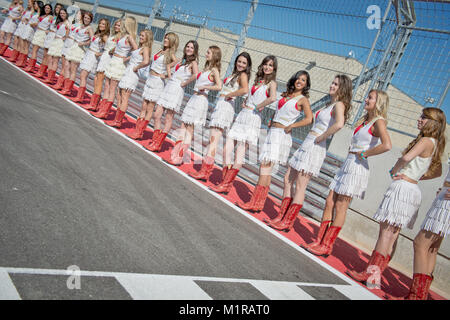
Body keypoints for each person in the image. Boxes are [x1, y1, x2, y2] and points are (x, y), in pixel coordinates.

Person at [347, 108, 446, 295]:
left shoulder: (425, 140)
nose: (419, 119)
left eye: (424, 117)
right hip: (413, 189)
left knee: (385, 234)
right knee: (393, 235)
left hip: (402, 188)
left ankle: (371, 276)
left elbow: (406, 157)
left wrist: (394, 171)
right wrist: (415, 177)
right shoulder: (435, 143)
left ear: (433, 122)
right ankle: (375, 278)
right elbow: (437, 171)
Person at [304, 89, 392, 258]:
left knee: (340, 206)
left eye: (370, 98)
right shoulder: (365, 120)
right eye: (367, 97)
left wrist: (365, 154)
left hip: (357, 166)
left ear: (378, 102)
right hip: (348, 163)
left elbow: (387, 144)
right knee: (329, 201)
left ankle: (326, 245)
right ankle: (320, 240)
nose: (366, 99)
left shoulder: (379, 121)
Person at [267, 75, 352, 232]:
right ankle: (282, 215)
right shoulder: (329, 104)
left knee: (300, 185)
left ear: (342, 88)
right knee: (288, 178)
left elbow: (339, 124)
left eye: (336, 84)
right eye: (332, 82)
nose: (332, 86)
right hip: (308, 142)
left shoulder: (339, 105)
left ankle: (288, 221)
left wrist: (323, 136)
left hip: (316, 145)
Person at [236, 70, 313, 214]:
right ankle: (258, 203)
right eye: (298, 78)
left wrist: (293, 126)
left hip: (282, 135)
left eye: (303, 80)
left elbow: (309, 119)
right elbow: (279, 110)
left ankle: (255, 202)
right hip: (273, 132)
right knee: (266, 169)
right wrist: (272, 117)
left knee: (265, 167)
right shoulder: (286, 95)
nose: (299, 81)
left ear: (306, 84)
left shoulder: (303, 99)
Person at [209, 55, 278, 194]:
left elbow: (273, 98)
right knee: (226, 149)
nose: (267, 67)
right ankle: (225, 180)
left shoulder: (272, 83)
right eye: (265, 64)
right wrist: (246, 100)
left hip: (253, 118)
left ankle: (226, 184)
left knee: (239, 153)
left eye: (270, 65)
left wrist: (259, 106)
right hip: (243, 115)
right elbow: (250, 93)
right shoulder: (258, 81)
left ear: (274, 68)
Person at [188, 51, 251, 180]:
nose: (240, 64)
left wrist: (229, 95)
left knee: (213, 140)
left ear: (247, 65)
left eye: (244, 63)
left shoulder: (243, 75)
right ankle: (213, 173)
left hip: (226, 106)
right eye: (239, 61)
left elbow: (245, 90)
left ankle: (205, 171)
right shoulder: (235, 74)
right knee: (213, 140)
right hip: (222, 105)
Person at [165, 45, 223, 166]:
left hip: (201, 100)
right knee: (183, 125)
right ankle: (174, 154)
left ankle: (179, 157)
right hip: (194, 98)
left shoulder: (214, 70)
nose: (206, 54)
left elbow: (219, 86)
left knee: (189, 129)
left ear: (214, 55)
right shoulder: (206, 68)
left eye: (208, 52)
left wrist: (205, 87)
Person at [145, 40, 200, 152]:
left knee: (169, 117)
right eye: (188, 46)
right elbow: (169, 66)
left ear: (195, 51)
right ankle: (156, 140)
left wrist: (185, 83)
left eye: (192, 48)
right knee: (157, 114)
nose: (189, 49)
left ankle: (158, 143)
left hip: (177, 90)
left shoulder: (193, 63)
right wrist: (169, 75)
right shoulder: (181, 60)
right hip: (168, 87)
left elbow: (195, 75)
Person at [127, 32, 179, 140]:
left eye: (168, 39)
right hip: (150, 79)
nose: (165, 40)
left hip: (158, 82)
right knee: (143, 106)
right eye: (165, 37)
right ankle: (137, 130)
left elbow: (174, 65)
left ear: (172, 42)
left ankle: (140, 131)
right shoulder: (161, 51)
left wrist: (164, 75)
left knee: (149, 108)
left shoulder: (170, 54)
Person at [91, 16, 138, 119]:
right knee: (107, 87)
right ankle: (101, 110)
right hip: (113, 61)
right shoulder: (123, 36)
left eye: (125, 22)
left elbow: (138, 52)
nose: (122, 24)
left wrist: (127, 58)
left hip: (119, 63)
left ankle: (105, 112)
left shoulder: (130, 37)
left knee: (112, 89)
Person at [104, 29, 153, 128]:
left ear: (148, 38)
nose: (141, 37)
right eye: (141, 35)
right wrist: (126, 59)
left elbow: (146, 61)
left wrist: (136, 67)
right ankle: (117, 119)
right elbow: (135, 57)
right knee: (120, 95)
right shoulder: (140, 48)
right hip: (128, 71)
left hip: (132, 74)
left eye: (143, 36)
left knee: (125, 96)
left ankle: (118, 121)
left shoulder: (146, 48)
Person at [84, 19, 121, 111]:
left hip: (108, 59)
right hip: (104, 57)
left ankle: (94, 104)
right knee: (97, 79)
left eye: (119, 25)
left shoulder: (119, 38)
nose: (116, 27)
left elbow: (118, 49)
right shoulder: (112, 35)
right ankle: (95, 103)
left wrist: (111, 52)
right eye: (116, 25)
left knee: (100, 80)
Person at [72, 18, 110, 103]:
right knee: (83, 75)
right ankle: (81, 96)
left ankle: (80, 97)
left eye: (103, 24)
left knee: (83, 75)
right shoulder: (97, 33)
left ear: (106, 26)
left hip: (93, 57)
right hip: (88, 54)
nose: (100, 25)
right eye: (100, 23)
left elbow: (108, 50)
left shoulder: (105, 36)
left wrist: (99, 54)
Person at [60, 10, 94, 96]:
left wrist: (84, 43)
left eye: (88, 18)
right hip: (73, 46)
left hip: (79, 49)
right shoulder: (81, 26)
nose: (86, 19)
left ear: (91, 20)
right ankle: (65, 86)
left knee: (73, 69)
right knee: (66, 66)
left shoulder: (89, 28)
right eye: (85, 17)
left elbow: (93, 40)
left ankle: (68, 89)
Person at [52, 9, 82, 90]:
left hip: (72, 45)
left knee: (69, 68)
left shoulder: (81, 26)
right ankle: (60, 83)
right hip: (67, 43)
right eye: (76, 14)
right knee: (64, 66)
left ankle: (66, 87)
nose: (77, 15)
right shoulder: (73, 23)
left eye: (79, 14)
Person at [35, 2, 62, 78]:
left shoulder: (61, 19)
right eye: (56, 8)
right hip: (49, 35)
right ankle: (41, 71)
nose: (57, 9)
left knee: (50, 58)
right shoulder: (52, 17)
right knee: (45, 55)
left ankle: (49, 76)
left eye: (59, 8)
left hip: (55, 37)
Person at [43, 8, 70, 85]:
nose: (62, 14)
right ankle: (49, 77)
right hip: (55, 41)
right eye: (61, 13)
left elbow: (68, 33)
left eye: (63, 13)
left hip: (60, 42)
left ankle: (50, 78)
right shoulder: (60, 21)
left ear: (66, 14)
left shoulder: (67, 23)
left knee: (55, 60)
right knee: (50, 58)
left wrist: (64, 37)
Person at [24, 3, 53, 73]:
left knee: (36, 50)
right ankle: (31, 66)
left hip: (42, 34)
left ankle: (33, 67)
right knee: (34, 50)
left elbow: (53, 26)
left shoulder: (50, 17)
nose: (46, 9)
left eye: (48, 8)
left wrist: (48, 30)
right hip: (37, 32)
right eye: (46, 8)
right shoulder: (42, 15)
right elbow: (37, 23)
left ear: (51, 10)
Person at [16, 0, 41, 68]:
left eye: (35, 4)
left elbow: (36, 24)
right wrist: (27, 20)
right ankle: (21, 60)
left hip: (30, 29)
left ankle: (23, 62)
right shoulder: (35, 13)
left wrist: (31, 23)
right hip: (27, 28)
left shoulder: (39, 15)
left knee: (26, 46)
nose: (34, 6)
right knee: (23, 45)